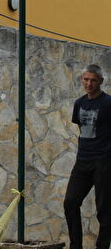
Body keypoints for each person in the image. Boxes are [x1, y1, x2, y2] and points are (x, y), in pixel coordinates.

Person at [63, 64, 111, 249]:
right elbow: (81, 127)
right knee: (70, 202)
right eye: (86, 79)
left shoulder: (108, 103)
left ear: (101, 81)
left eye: (93, 80)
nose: (89, 83)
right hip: (83, 161)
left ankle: (102, 246)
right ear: (82, 79)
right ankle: (76, 245)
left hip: (104, 162)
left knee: (104, 209)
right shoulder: (80, 103)